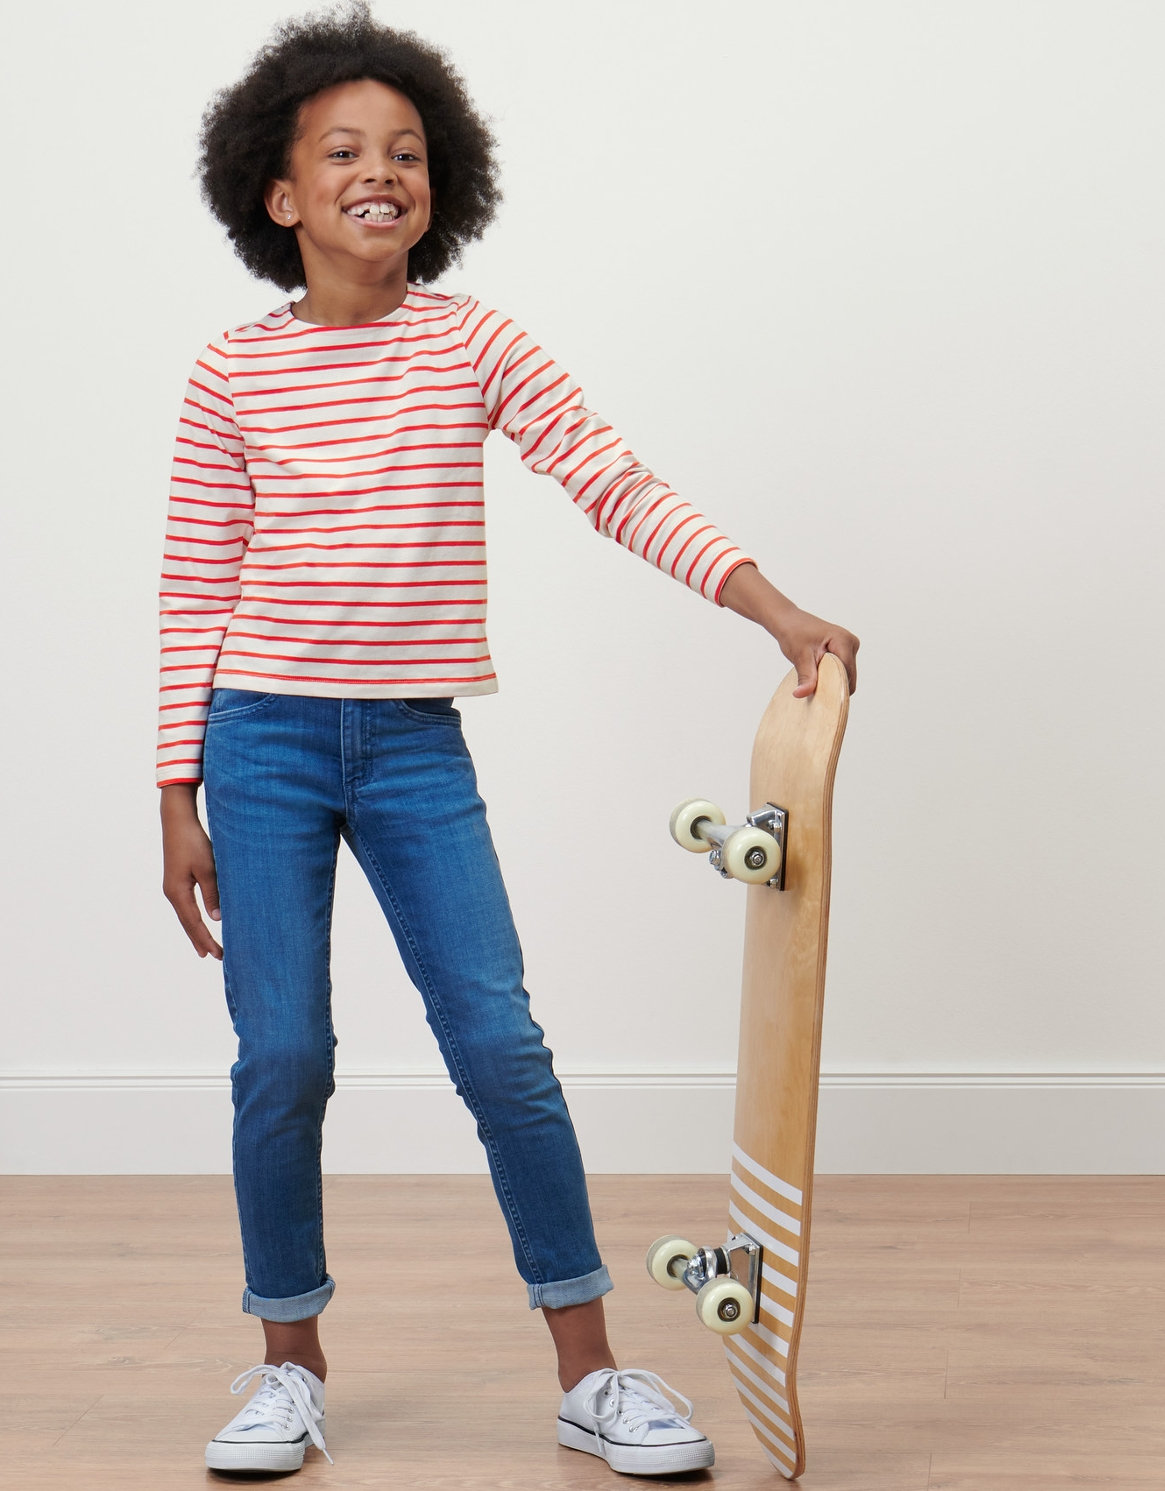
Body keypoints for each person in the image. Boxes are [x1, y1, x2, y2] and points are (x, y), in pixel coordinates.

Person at [157, 4, 859, 1476]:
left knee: (500, 1048)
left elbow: (610, 478)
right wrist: (175, 792)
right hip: (261, 744)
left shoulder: (470, 343)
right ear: (278, 195)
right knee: (280, 1057)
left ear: (441, 183)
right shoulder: (232, 372)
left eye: (406, 150)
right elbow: (196, 580)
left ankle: (590, 1371)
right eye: (342, 149)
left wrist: (770, 608)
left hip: (412, 747)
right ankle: (285, 1360)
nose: (380, 169)